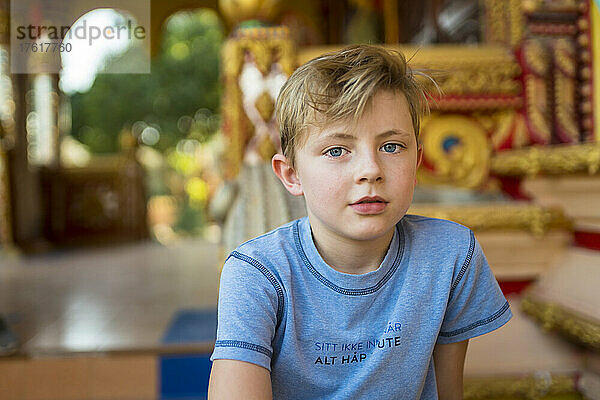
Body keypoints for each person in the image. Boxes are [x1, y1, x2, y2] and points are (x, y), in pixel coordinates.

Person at [208, 44, 511, 399]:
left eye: (392, 146)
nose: (370, 170)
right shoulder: (258, 274)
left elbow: (447, 392)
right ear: (291, 175)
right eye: (337, 150)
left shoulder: (450, 256)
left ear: (416, 162)